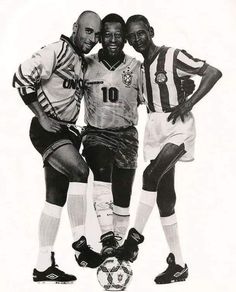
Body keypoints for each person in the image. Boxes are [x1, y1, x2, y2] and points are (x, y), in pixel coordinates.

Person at [79, 13, 195, 261]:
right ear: (100, 38)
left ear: (124, 40)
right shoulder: (85, 64)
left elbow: (158, 91)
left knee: (124, 195)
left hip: (127, 137)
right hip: (97, 133)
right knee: (101, 169)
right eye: (107, 35)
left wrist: (187, 89)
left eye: (118, 36)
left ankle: (119, 249)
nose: (112, 40)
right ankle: (107, 238)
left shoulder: (136, 67)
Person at [116, 14, 222, 285]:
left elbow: (212, 72)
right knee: (165, 199)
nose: (136, 39)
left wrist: (189, 103)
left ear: (150, 31)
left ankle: (133, 241)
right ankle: (179, 264)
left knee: (150, 176)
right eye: (131, 37)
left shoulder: (173, 55)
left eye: (140, 33)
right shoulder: (139, 69)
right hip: (154, 128)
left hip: (177, 127)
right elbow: (142, 96)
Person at [12, 10, 103, 284]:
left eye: (97, 35)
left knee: (55, 198)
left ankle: (43, 266)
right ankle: (80, 245)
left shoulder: (81, 61)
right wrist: (41, 115)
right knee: (80, 170)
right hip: (47, 130)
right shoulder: (57, 50)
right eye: (88, 31)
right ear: (75, 27)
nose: (93, 39)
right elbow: (21, 75)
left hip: (67, 132)